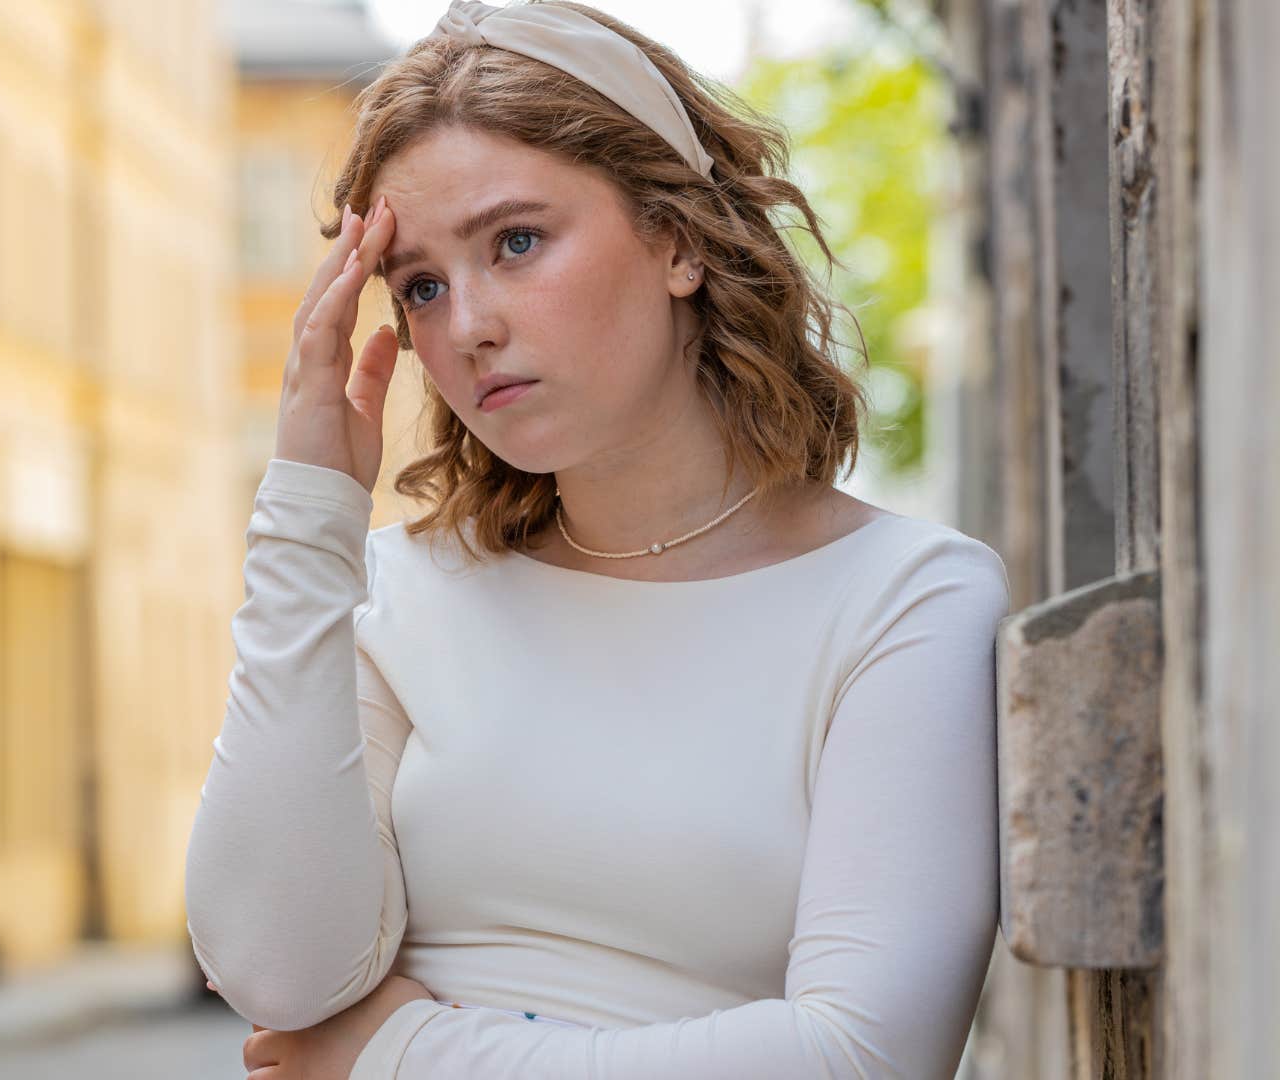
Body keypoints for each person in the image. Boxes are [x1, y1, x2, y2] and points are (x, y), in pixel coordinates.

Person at [183, 2, 1009, 1077]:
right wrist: (307, 515)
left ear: (676, 240)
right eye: (421, 286)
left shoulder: (906, 599)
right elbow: (274, 973)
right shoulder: (399, 593)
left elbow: (861, 1057)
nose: (467, 324)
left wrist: (395, 1055)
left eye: (516, 242)